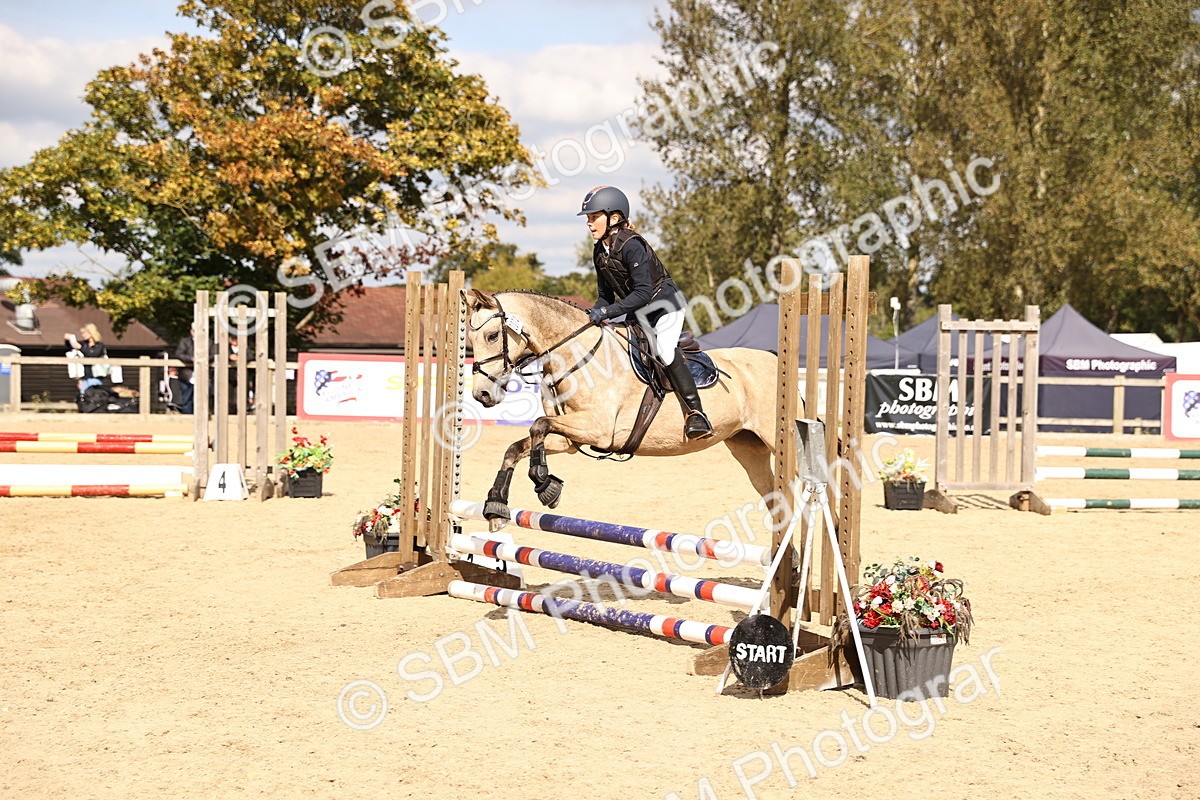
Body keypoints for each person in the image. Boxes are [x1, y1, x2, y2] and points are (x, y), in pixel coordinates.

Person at [579, 185, 713, 440]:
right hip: (638, 311)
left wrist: (606, 312)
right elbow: (605, 296)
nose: (589, 223)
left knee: (663, 347)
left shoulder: (632, 245)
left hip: (664, 306)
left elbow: (642, 292)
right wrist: (590, 316)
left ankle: (696, 414)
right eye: (588, 218)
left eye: (594, 216)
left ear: (614, 218)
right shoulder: (600, 251)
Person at [65, 323, 108, 396]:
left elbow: (93, 355)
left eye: (84, 333)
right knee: (84, 397)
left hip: (95, 377)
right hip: (84, 378)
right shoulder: (83, 344)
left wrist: (80, 348)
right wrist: (68, 339)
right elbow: (71, 346)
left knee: (94, 396)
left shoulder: (99, 345)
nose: (83, 335)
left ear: (91, 333)